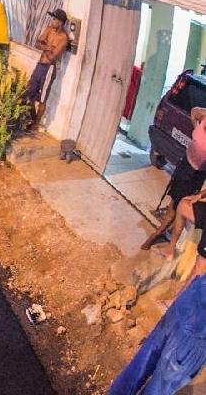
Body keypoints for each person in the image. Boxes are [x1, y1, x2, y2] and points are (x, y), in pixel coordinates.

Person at [109, 275, 206, 395]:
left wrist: (181, 300)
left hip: (188, 301)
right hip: (197, 336)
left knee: (142, 361)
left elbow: (200, 263)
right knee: (160, 386)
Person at [142, 106, 206, 250]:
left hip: (199, 173)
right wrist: (196, 126)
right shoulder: (204, 115)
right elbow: (194, 111)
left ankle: (165, 236)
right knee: (175, 201)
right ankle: (159, 233)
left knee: (183, 204)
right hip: (186, 165)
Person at [25, 8, 70, 129]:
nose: (52, 20)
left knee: (43, 99)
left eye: (54, 19)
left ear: (60, 22)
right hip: (40, 65)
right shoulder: (49, 29)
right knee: (29, 93)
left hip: (49, 69)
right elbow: (37, 43)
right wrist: (49, 47)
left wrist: (45, 47)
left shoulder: (64, 38)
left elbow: (53, 57)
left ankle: (36, 124)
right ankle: (33, 120)